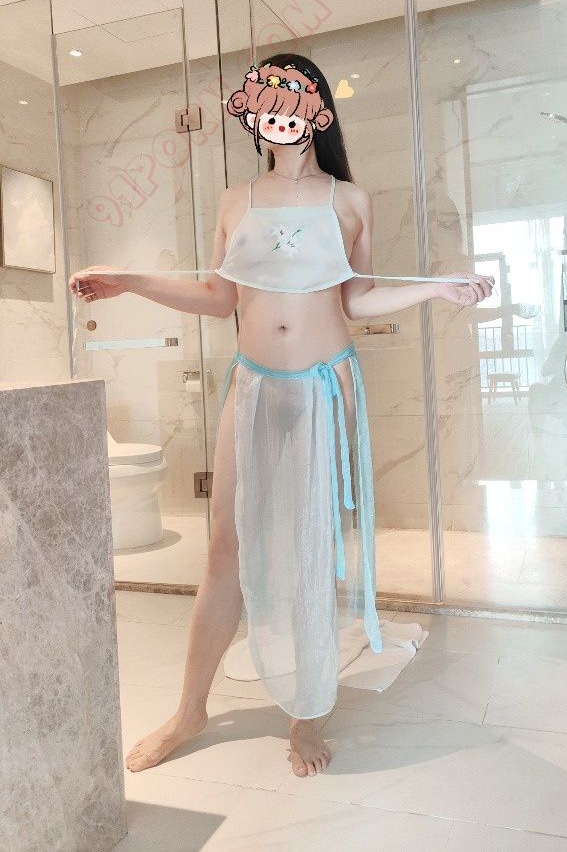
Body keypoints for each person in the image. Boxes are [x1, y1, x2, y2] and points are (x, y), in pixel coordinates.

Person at [69, 54, 494, 778]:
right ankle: (190, 708)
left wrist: (436, 289)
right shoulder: (235, 199)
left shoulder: (350, 200)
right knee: (223, 547)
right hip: (254, 384)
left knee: (309, 547)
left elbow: (356, 299)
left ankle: (306, 716)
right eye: (265, 102)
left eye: (290, 100)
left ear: (315, 111)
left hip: (325, 384)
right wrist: (131, 281)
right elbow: (217, 297)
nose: (277, 115)